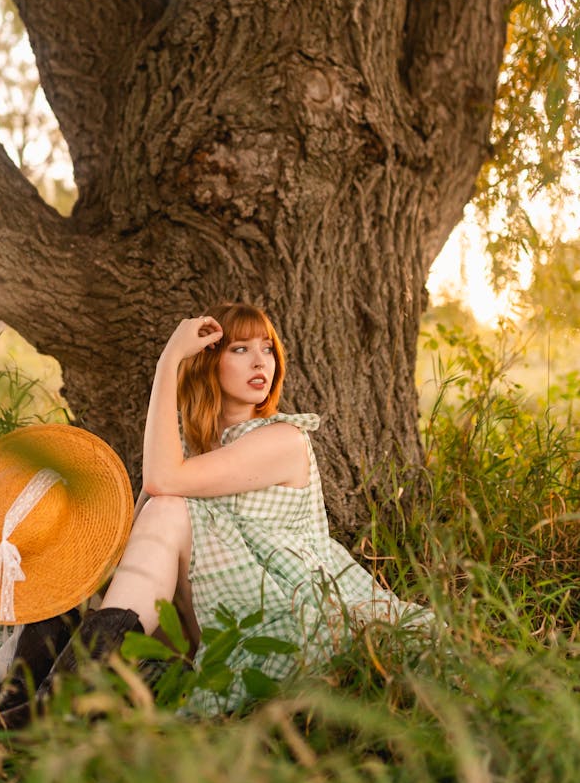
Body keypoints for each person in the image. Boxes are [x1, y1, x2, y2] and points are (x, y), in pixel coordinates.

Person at [83, 302, 434, 716]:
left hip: (278, 609)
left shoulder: (283, 438)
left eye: (267, 348)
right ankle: (59, 686)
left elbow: (161, 482)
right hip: (201, 617)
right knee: (108, 572)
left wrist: (168, 361)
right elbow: (139, 533)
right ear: (208, 361)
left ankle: (71, 688)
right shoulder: (191, 454)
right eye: (240, 349)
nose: (260, 361)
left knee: (166, 506)